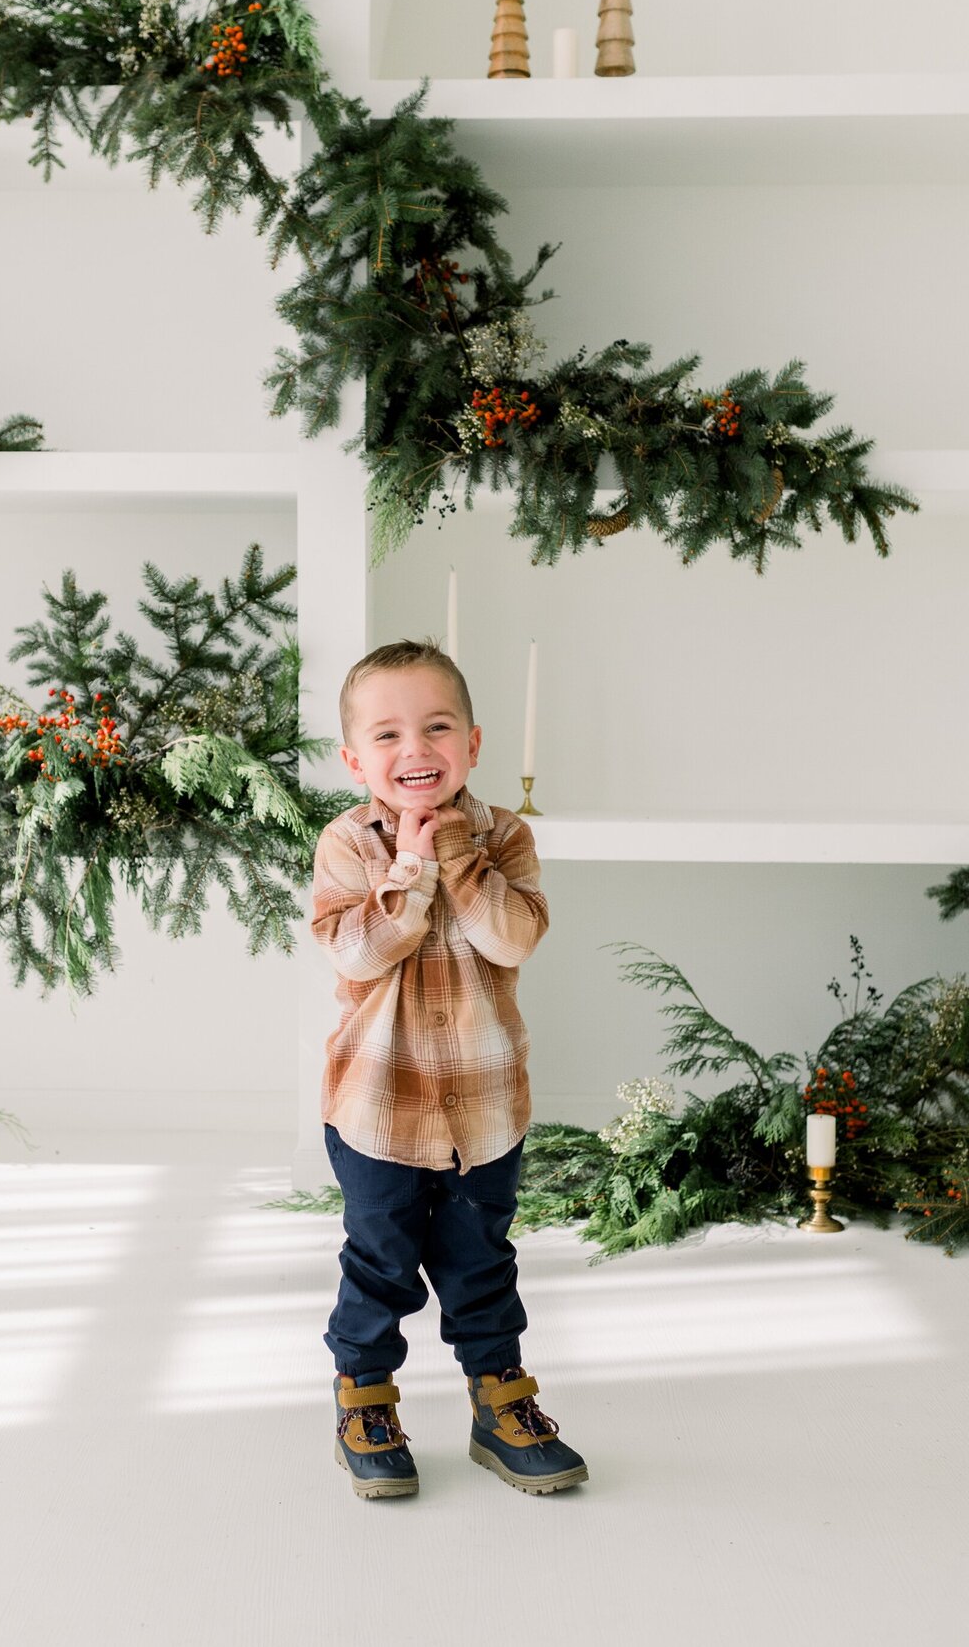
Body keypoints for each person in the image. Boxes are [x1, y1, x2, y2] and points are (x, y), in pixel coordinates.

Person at [310, 638, 589, 1500]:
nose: (414, 750)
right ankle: (365, 1398)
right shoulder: (347, 845)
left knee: (480, 1259)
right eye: (387, 736)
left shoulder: (507, 838)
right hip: (377, 1107)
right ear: (357, 760)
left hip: (484, 1108)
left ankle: (499, 1402)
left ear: (472, 743)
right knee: (381, 1259)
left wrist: (463, 855)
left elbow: (513, 937)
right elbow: (361, 952)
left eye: (436, 727)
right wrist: (414, 867)